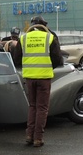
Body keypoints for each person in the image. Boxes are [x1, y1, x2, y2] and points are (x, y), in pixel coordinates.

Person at [12, 16, 63, 147]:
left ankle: (29, 135)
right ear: (43, 25)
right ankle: (38, 138)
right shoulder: (50, 37)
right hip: (44, 78)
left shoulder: (23, 38)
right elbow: (58, 59)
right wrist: (47, 67)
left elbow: (16, 59)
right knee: (42, 108)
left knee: (32, 106)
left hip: (29, 77)